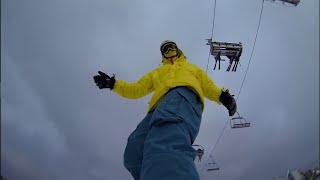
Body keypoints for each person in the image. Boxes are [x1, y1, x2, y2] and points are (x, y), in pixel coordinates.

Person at [93, 40, 236, 180]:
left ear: (177, 49)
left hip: (182, 96)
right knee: (134, 154)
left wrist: (223, 97)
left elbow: (208, 86)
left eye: (170, 47)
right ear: (163, 55)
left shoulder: (191, 68)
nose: (168, 51)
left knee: (166, 141)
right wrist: (113, 84)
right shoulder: (157, 72)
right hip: (156, 108)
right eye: (165, 50)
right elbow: (136, 89)